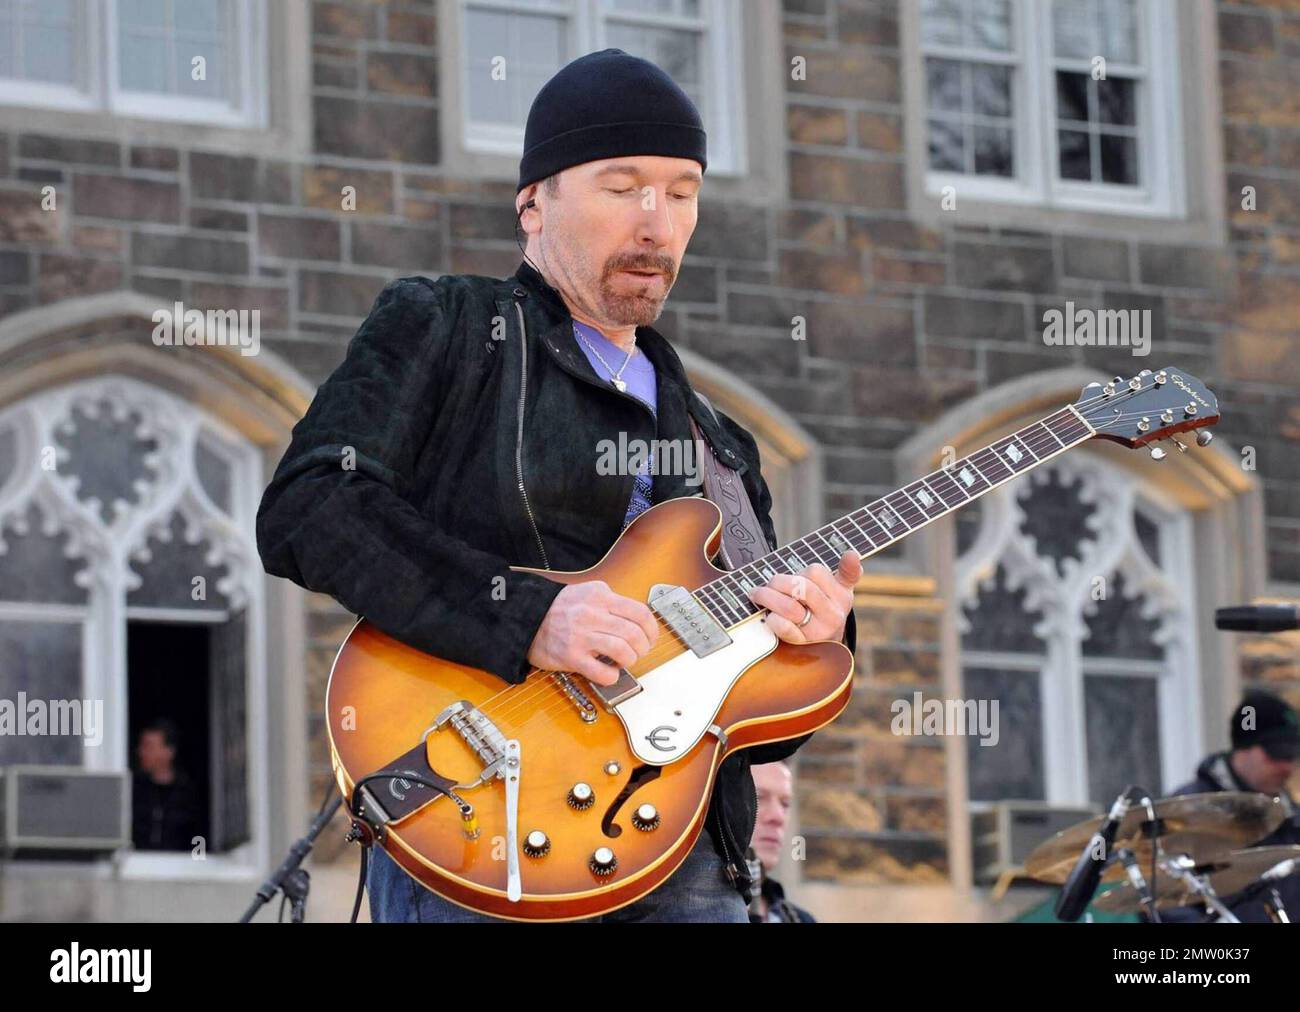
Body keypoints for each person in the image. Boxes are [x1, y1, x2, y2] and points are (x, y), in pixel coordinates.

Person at [256, 48, 860, 923]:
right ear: (534, 203)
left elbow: (759, 716)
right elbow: (310, 506)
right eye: (623, 187)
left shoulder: (719, 439)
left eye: (682, 192)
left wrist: (817, 636)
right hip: (481, 816)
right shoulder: (451, 326)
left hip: (686, 860)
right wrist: (529, 614)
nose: (657, 222)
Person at [1159, 689, 1300, 922]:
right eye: (1277, 754)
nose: (1287, 767)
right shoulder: (1184, 813)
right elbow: (1164, 898)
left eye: (1293, 756)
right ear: (1243, 749)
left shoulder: (1293, 819)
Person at [748, 761, 816, 923]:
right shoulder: (683, 912)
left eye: (785, 804)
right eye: (759, 797)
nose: (778, 817)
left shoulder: (801, 920)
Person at [131, 718, 201, 852]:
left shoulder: (188, 795)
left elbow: (199, 837)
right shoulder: (135, 791)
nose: (141, 752)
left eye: (148, 746)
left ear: (169, 752)